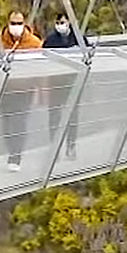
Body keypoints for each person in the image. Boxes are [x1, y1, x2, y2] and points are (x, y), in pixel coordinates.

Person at [0, 11, 42, 172]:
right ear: (8, 23)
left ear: (24, 24)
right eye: (13, 23)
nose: (16, 27)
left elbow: (41, 69)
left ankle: (16, 156)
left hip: (25, 90)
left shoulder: (34, 43)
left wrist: (39, 91)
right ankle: (11, 150)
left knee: (19, 123)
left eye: (19, 23)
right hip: (5, 90)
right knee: (6, 124)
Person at [42, 13, 87, 161]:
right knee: (54, 116)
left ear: (69, 23)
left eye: (63, 22)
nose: (60, 25)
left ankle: (71, 145)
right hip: (56, 83)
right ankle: (54, 148)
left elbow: (87, 56)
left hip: (74, 81)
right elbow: (42, 57)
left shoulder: (79, 38)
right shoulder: (51, 40)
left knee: (72, 116)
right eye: (58, 22)